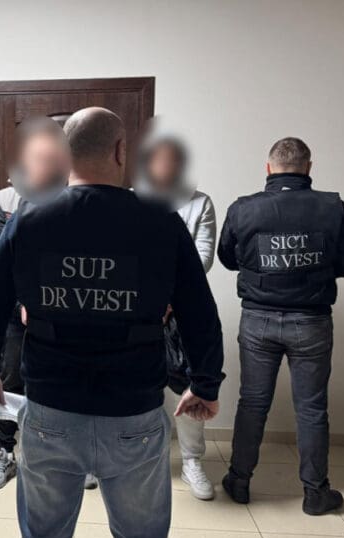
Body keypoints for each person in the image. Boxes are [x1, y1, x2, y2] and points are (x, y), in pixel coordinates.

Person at [0, 107, 225, 538]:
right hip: (133, 414)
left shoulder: (30, 218)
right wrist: (205, 384)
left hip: (50, 413)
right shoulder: (160, 220)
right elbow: (200, 313)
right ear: (120, 151)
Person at [218, 137, 344, 515]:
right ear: (308, 167)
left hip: (258, 319)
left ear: (268, 168)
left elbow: (228, 259)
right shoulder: (333, 207)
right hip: (311, 320)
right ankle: (316, 494)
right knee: (312, 409)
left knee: (252, 403)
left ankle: (239, 481)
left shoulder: (243, 208)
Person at [0, 116, 70, 491]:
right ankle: (5, 452)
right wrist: (24, 301)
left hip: (62, 312)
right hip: (16, 315)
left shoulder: (75, 196)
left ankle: (69, 457)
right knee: (10, 379)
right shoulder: (4, 200)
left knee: (64, 381)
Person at [135, 125, 218, 500]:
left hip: (183, 311)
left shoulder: (200, 203)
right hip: (140, 310)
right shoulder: (133, 201)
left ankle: (192, 461)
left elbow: (202, 257)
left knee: (188, 383)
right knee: (134, 382)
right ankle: (127, 458)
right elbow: (128, 256)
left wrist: (169, 297)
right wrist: (152, 298)